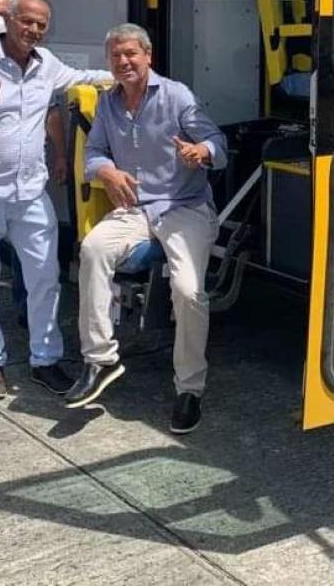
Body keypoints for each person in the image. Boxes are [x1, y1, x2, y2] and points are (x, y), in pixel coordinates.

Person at [0, 0, 112, 400]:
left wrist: (127, 72)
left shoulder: (46, 65)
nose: (32, 30)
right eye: (26, 21)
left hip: (30, 191)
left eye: (41, 24)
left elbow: (84, 80)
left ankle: (45, 360)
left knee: (44, 278)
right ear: (8, 21)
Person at [65, 23, 226, 435]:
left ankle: (189, 388)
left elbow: (217, 141)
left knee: (189, 291)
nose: (124, 62)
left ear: (148, 56)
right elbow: (95, 152)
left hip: (183, 206)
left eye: (131, 54)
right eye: (116, 56)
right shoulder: (108, 104)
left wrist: (200, 151)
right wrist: (107, 170)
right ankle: (100, 359)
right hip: (136, 209)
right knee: (93, 250)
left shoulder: (176, 95)